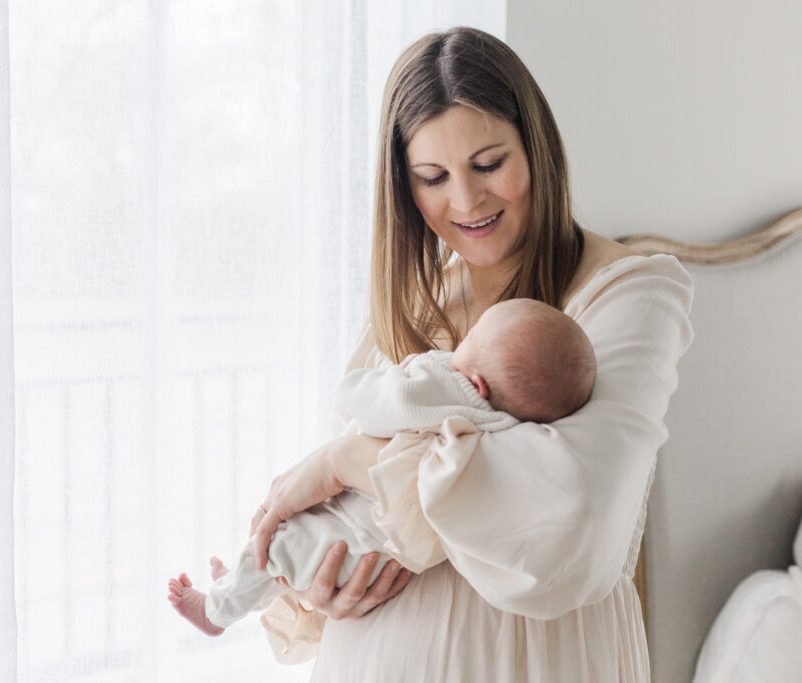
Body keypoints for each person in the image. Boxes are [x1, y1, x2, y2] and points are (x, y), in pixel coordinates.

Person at [247, 26, 694, 682]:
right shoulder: (407, 315)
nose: (465, 200)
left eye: (488, 164)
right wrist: (315, 591)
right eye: (432, 177)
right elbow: (344, 517)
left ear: (536, 147)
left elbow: (570, 521)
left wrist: (345, 459)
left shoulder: (628, 292)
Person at [167, 298, 596, 642]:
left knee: (277, 547)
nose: (458, 348)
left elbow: (374, 406)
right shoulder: (508, 424)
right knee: (286, 555)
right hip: (380, 550)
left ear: (478, 384)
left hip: (360, 535)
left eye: (472, 340)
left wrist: (383, 379)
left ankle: (215, 610)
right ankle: (241, 588)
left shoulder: (451, 389)